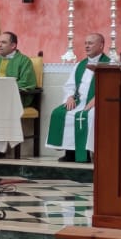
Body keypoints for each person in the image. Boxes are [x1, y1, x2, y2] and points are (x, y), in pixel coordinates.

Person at [46, 33, 110, 163]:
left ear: (101, 45)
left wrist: (97, 98)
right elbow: (70, 85)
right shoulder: (79, 65)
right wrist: (69, 97)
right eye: (86, 43)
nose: (87, 46)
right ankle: (70, 152)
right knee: (60, 113)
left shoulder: (110, 64)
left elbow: (111, 86)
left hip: (98, 102)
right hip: (78, 101)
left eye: (90, 43)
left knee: (90, 115)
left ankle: (85, 153)